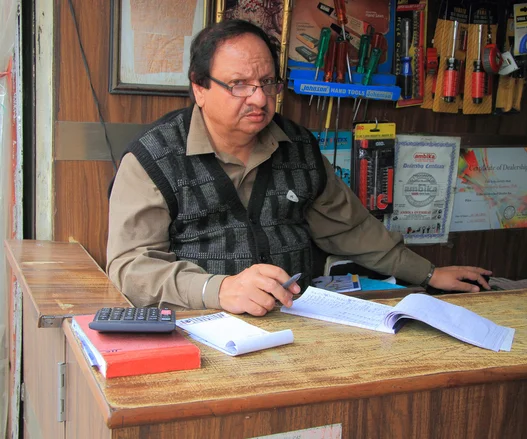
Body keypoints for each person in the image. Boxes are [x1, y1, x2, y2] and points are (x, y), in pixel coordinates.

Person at [107, 19, 491, 316]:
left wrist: (428, 274)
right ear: (200, 88)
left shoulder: (298, 147)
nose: (259, 98)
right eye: (239, 84)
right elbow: (130, 267)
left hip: (301, 320)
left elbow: (352, 229)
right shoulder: (152, 159)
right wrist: (217, 289)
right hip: (202, 327)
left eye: (268, 82)